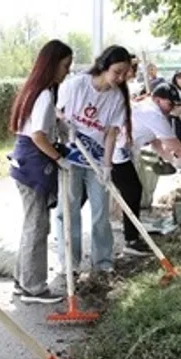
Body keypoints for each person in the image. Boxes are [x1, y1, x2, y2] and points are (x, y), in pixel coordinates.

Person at [113, 83, 181, 255]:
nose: (172, 108)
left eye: (175, 104)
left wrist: (170, 159)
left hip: (121, 152)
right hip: (115, 154)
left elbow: (155, 140)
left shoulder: (149, 109)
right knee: (132, 192)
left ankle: (132, 238)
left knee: (132, 191)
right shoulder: (153, 114)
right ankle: (131, 241)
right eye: (170, 104)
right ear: (157, 99)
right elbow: (177, 147)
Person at [54, 45, 131, 281]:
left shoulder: (116, 97)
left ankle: (103, 262)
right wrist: (66, 123)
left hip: (96, 159)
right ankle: (70, 262)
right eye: (117, 72)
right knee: (68, 210)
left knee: (100, 212)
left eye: (124, 74)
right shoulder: (77, 85)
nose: (120, 78)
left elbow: (111, 133)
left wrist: (107, 166)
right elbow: (56, 110)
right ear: (104, 66)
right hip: (70, 156)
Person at [7, 40, 73, 303]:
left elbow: (42, 124)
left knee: (32, 225)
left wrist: (60, 123)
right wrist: (59, 158)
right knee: (37, 227)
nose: (67, 71)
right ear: (52, 64)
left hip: (25, 161)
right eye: (65, 66)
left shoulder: (36, 90)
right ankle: (33, 287)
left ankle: (22, 280)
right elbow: (37, 135)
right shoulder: (43, 94)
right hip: (33, 164)